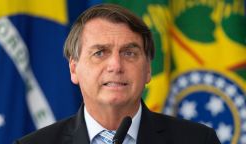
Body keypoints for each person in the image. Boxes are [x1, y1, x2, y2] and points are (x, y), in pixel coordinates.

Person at [14, 4, 220, 144]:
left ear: (148, 69)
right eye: (100, 53)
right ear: (74, 69)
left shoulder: (199, 140)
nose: (115, 65)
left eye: (129, 53)